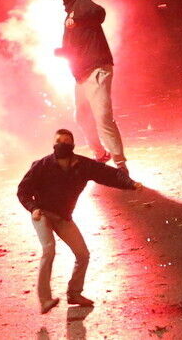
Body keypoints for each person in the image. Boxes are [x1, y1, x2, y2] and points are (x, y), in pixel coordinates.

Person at [17, 128, 142, 313]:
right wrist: (33, 208)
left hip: (63, 217)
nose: (62, 145)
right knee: (49, 249)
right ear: (53, 144)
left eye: (66, 142)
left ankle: (74, 293)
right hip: (42, 213)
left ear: (72, 145)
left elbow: (108, 174)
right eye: (59, 141)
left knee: (83, 254)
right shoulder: (42, 165)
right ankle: (44, 299)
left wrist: (130, 184)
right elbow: (23, 190)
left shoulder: (82, 165)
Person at [53, 0, 127, 171]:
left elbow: (98, 13)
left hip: (96, 70)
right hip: (82, 74)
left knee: (102, 116)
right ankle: (100, 154)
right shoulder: (70, 13)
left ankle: (120, 164)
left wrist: (78, 18)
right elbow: (78, 42)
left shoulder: (81, 4)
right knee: (82, 116)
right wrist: (63, 52)